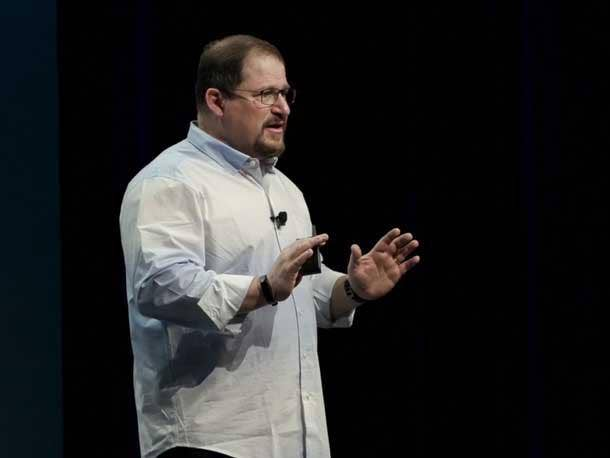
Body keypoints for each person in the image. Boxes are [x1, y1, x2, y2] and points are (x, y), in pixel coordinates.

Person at [120, 34, 420, 458]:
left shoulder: (285, 190)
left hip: (296, 438)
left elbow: (297, 293)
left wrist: (351, 289)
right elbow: (160, 287)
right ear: (216, 100)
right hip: (210, 441)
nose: (283, 108)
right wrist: (261, 289)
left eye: (285, 94)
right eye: (266, 95)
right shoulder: (170, 182)